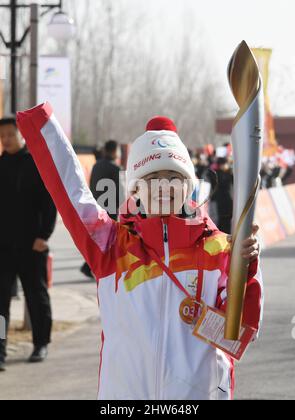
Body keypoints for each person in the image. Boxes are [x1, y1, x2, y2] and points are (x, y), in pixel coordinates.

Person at [17, 104, 262, 400]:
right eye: (151, 178)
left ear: (188, 187)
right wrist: (43, 126)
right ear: (135, 189)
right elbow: (71, 192)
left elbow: (236, 335)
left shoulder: (220, 249)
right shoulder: (110, 245)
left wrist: (246, 268)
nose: (163, 187)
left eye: (174, 177)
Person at [0, 116, 57, 372]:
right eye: (2, 136)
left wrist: (43, 236)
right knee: (0, 302)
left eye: (10, 134)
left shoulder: (35, 164)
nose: (6, 139)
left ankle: (41, 342)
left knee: (36, 296)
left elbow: (49, 204)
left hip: (32, 245)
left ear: (21, 134)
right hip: (3, 247)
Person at [80, 140, 124, 279]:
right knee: (108, 240)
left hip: (97, 206)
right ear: (114, 151)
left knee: (100, 240)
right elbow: (120, 192)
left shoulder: (96, 166)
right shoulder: (115, 168)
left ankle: (90, 266)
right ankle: (91, 267)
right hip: (110, 210)